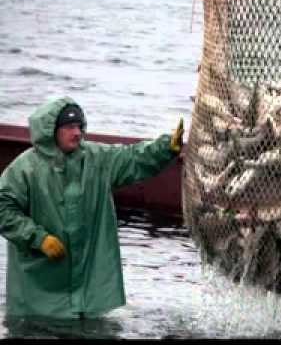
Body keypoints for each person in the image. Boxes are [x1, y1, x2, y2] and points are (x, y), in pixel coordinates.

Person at [0, 96, 184, 320]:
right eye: (69, 127)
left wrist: (165, 148)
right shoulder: (24, 168)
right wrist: (37, 238)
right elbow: (3, 208)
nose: (77, 132)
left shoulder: (96, 158)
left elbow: (132, 158)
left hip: (88, 296)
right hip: (38, 293)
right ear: (51, 131)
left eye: (79, 126)